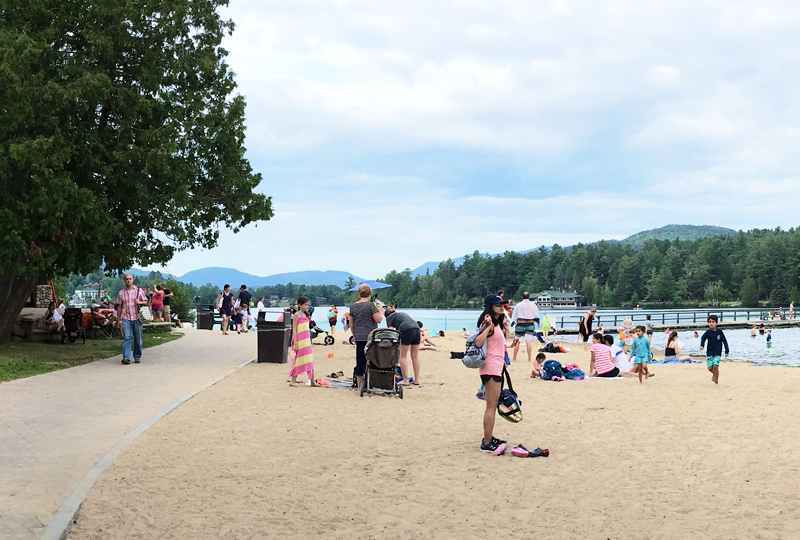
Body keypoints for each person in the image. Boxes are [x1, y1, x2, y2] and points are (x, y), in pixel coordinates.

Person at [473, 294, 508, 454]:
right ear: (490, 307)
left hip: (496, 366)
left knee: (492, 406)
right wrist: (487, 326)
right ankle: (486, 443)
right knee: (491, 407)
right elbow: (478, 342)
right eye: (497, 304)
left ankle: (489, 438)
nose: (501, 306)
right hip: (490, 368)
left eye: (502, 304)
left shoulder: (497, 322)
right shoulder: (489, 323)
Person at [350, 284, 383, 390]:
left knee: (360, 360)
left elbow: (351, 323)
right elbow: (378, 319)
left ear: (359, 293)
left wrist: (354, 335)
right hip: (371, 337)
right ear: (370, 293)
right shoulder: (371, 305)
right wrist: (381, 311)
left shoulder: (353, 306)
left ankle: (359, 385)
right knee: (373, 359)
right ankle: (373, 381)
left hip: (359, 336)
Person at [384, 306, 421, 386]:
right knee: (415, 356)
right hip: (416, 329)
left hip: (406, 330)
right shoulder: (400, 314)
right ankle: (417, 380)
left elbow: (390, 331)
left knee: (402, 356)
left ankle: (405, 380)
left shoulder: (389, 318)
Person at [116, 274, 148, 365]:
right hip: (126, 317)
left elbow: (146, 301)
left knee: (138, 338)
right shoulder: (121, 293)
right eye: (126, 279)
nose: (128, 281)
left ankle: (137, 356)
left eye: (130, 279)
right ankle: (126, 357)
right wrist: (118, 319)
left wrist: (140, 302)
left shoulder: (139, 291)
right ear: (124, 280)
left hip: (137, 318)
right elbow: (119, 306)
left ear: (132, 280)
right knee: (127, 337)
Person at [289, 296, 320, 387]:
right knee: (298, 359)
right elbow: (294, 329)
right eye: (305, 305)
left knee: (310, 359)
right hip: (300, 340)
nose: (307, 307)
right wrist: (295, 342)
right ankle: (293, 380)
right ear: (299, 305)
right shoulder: (297, 315)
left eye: (307, 305)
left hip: (307, 340)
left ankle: (312, 380)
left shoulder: (306, 315)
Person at [511, 291, 540, 363]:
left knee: (517, 341)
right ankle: (529, 359)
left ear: (522, 297)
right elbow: (536, 315)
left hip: (521, 323)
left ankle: (514, 358)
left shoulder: (518, 305)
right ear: (529, 297)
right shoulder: (533, 305)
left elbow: (514, 315)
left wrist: (512, 322)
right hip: (530, 323)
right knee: (528, 341)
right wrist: (537, 322)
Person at [699, 315, 729, 384]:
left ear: (716, 323)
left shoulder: (719, 332)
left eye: (713, 322)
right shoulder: (707, 332)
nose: (711, 323)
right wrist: (702, 345)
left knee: (715, 366)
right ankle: (715, 374)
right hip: (709, 352)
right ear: (708, 323)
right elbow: (703, 339)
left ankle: (716, 381)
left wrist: (727, 350)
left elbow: (724, 341)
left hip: (717, 352)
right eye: (710, 322)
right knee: (710, 368)